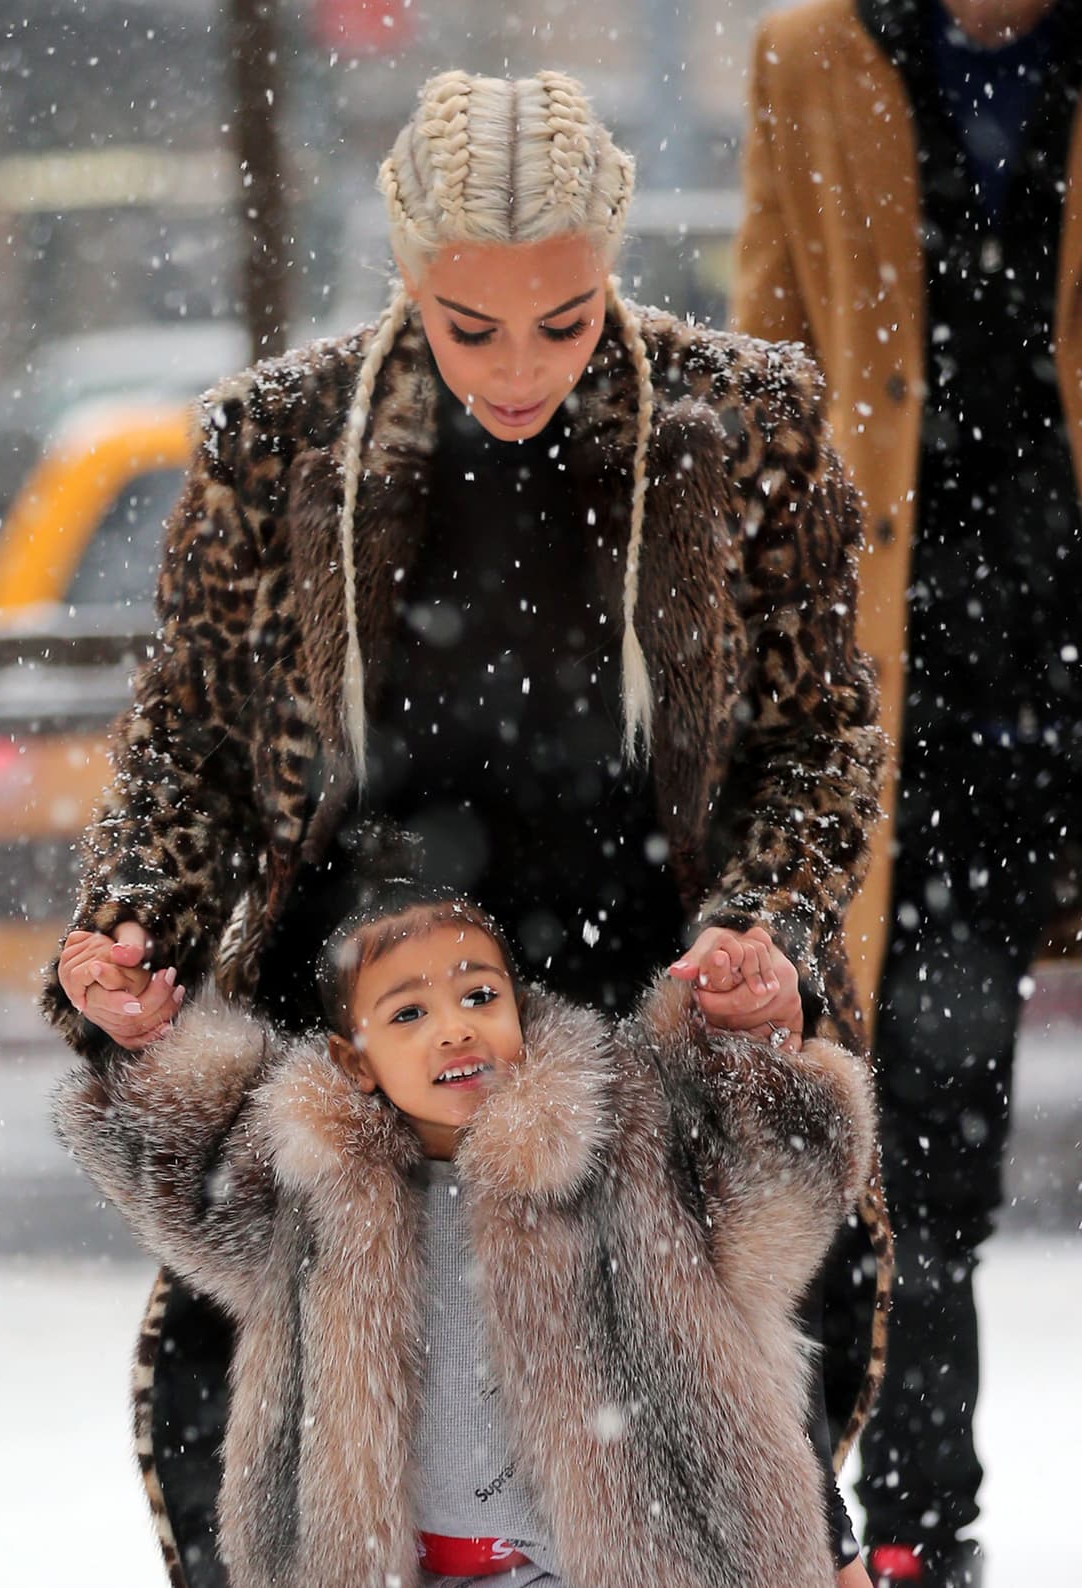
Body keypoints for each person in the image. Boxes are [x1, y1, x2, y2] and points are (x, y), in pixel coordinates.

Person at [46, 69, 890, 1585]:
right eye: (469, 324)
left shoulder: (744, 424)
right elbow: (189, 744)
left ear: (613, 262)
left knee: (703, 1486)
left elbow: (818, 733)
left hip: (644, 1001)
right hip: (363, 1013)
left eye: (564, 321)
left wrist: (767, 923)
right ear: (404, 273)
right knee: (287, 1470)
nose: (519, 368)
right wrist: (133, 926)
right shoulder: (278, 439)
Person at [56, 872, 879, 1588]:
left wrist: (754, 1037)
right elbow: (188, 1177)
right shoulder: (314, 1180)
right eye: (409, 1012)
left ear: (521, 1008)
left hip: (629, 1560)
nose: (455, 1028)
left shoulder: (620, 1131)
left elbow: (780, 1188)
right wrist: (144, 1038)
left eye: (480, 996)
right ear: (353, 1061)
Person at [731, 2, 1082, 1584]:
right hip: (915, 691)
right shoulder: (817, 54)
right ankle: (910, 1534)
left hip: (1053, 666)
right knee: (909, 1146)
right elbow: (772, 368)